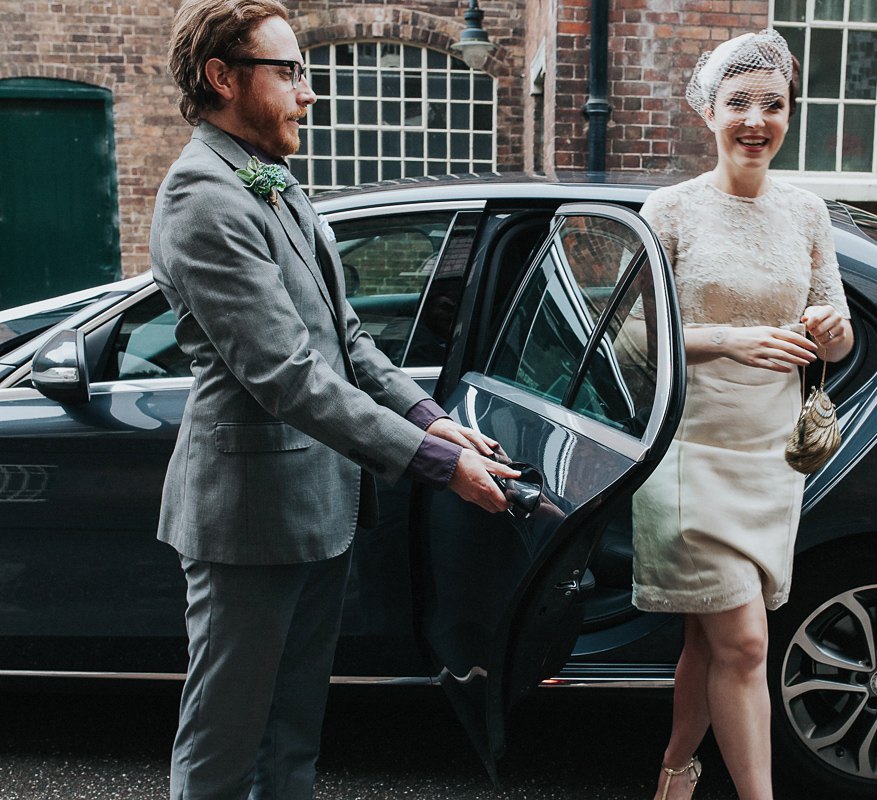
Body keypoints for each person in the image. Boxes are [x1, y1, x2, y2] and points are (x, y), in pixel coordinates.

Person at [150, 1, 520, 797]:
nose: (308, 91)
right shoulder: (202, 196)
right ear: (223, 77)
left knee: (291, 735)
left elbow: (345, 340)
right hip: (247, 517)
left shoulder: (273, 177)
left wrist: (434, 420)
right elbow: (286, 373)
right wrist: (432, 463)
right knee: (224, 740)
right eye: (288, 72)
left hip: (318, 505)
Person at [631, 31, 855, 800]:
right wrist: (726, 338)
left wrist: (830, 329)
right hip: (688, 450)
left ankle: (674, 774)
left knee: (712, 634)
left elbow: (840, 322)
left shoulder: (807, 211)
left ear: (790, 113)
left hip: (769, 456)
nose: (756, 119)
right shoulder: (670, 210)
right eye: (738, 104)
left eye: (773, 104)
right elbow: (630, 337)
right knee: (748, 642)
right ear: (709, 113)